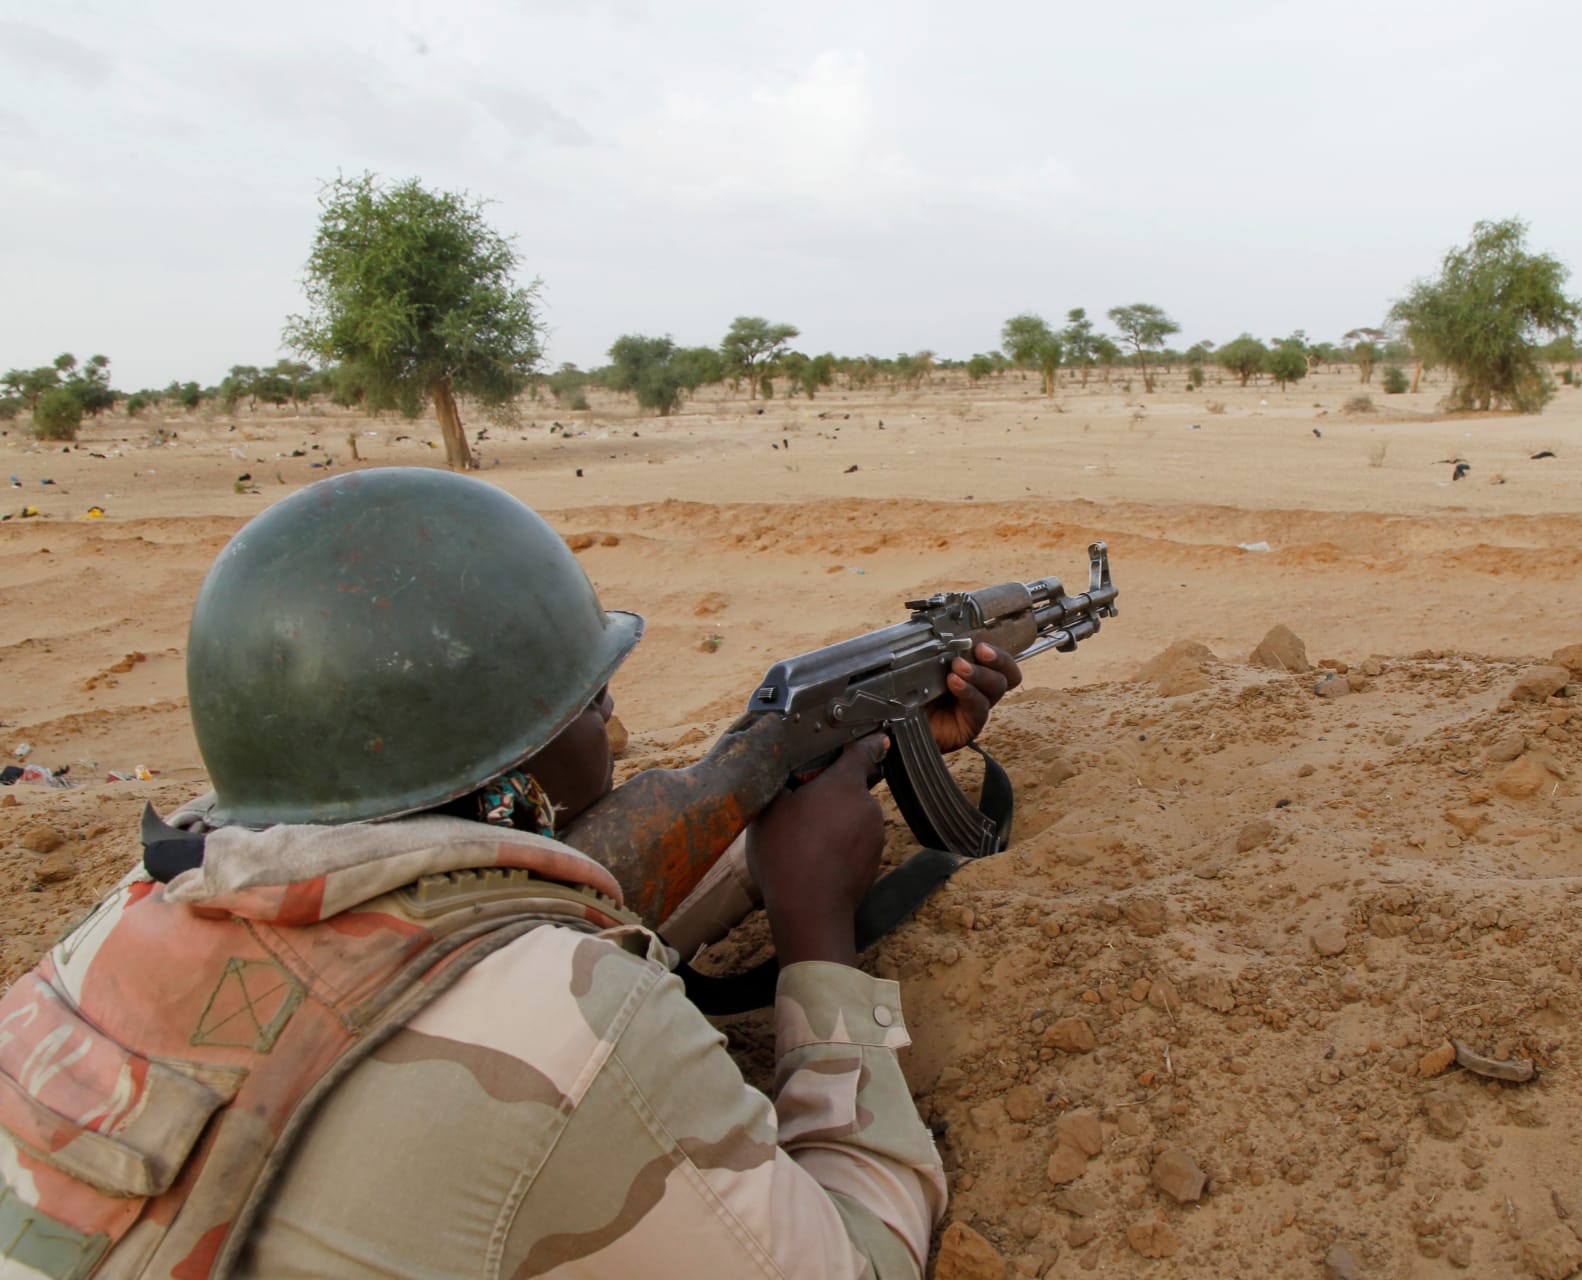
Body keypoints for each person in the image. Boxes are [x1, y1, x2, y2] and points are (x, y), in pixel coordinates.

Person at [0, 467, 1021, 1279]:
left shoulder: (127, 918)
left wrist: (770, 789)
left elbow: (485, 910)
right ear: (513, 769)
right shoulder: (574, 1029)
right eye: (589, 698)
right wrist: (814, 925)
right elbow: (857, 1259)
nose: (612, 724)